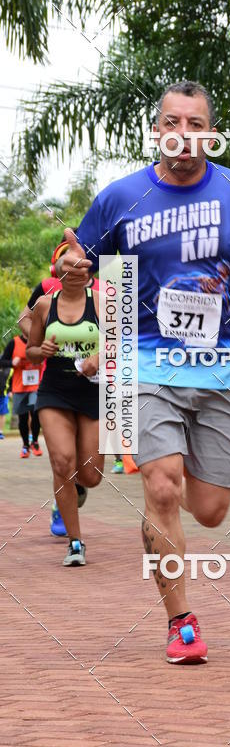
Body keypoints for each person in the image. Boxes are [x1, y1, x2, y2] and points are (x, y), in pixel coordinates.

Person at [57, 79, 230, 664]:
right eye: (172, 123)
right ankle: (181, 621)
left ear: (211, 134)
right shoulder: (122, 197)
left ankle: (165, 540)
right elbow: (78, 256)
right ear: (156, 131)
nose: (182, 134)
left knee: (210, 508)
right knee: (163, 485)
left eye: (195, 125)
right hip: (148, 363)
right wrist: (73, 266)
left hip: (221, 371)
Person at [19, 229, 102, 535]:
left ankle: (75, 484)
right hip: (55, 384)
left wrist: (102, 356)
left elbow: (123, 334)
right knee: (62, 461)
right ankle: (64, 515)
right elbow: (23, 319)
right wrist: (42, 344)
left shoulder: (104, 293)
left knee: (90, 472)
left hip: (93, 388)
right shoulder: (46, 289)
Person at [0, 334, 43, 457]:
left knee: (35, 413)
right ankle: (25, 445)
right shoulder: (14, 343)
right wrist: (11, 362)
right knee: (23, 418)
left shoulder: (40, 341)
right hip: (20, 387)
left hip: (36, 386)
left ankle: (35, 442)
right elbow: (1, 361)